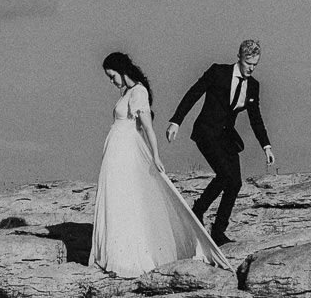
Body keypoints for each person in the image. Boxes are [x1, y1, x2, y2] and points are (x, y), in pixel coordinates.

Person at [90, 51, 230, 277]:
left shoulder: (138, 92)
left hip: (125, 154)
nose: (111, 81)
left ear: (122, 70)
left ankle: (126, 257)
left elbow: (147, 128)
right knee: (115, 200)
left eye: (112, 75)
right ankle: (113, 253)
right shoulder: (127, 92)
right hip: (116, 154)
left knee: (123, 199)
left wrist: (155, 156)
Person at [165, 39, 274, 245]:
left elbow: (255, 118)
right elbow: (193, 93)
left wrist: (266, 146)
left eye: (255, 64)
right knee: (225, 174)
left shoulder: (253, 86)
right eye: (248, 63)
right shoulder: (218, 72)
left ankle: (218, 231)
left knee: (235, 182)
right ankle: (198, 209)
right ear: (239, 58)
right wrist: (176, 121)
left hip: (226, 137)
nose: (251, 68)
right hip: (206, 132)